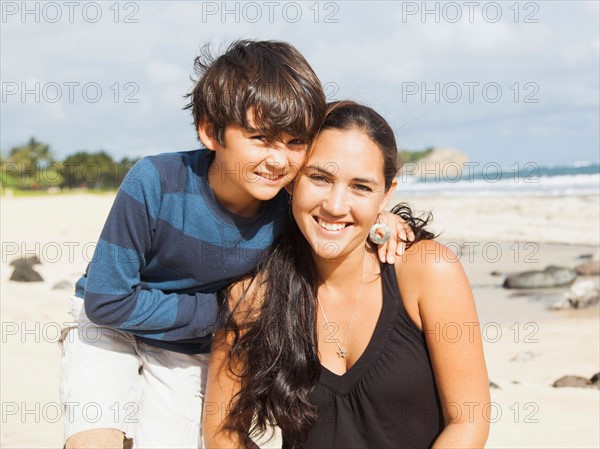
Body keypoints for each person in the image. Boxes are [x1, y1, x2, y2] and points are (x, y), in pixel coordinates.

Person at [59, 42, 411, 448]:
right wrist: (224, 310)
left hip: (193, 346)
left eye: (295, 142)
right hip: (110, 326)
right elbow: (106, 300)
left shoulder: (287, 207)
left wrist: (382, 218)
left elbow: (337, 212)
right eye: (260, 138)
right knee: (95, 440)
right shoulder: (154, 182)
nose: (278, 160)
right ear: (211, 132)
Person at [203, 101, 491, 449]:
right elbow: (221, 429)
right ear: (293, 181)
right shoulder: (254, 294)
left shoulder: (428, 271)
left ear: (387, 194)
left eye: (361, 187)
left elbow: (469, 420)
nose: (336, 206)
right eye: (320, 178)